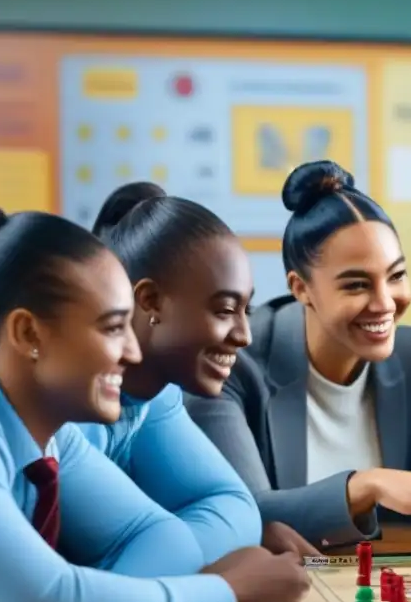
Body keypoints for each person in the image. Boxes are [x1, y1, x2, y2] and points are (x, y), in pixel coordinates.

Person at [0, 199, 308, 602]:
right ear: (29, 334)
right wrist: (228, 597)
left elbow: (159, 536)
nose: (135, 352)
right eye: (113, 327)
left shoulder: (44, 429)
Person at [187, 162, 411, 547]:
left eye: (396, 275)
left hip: (372, 583)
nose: (385, 303)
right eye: (357, 285)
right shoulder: (233, 363)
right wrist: (367, 484)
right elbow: (244, 512)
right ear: (301, 288)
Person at [81, 184, 294, 564]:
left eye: (247, 308)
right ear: (150, 300)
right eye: (225, 310)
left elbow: (237, 509)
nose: (244, 336)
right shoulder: (72, 408)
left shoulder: (156, 396)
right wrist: (219, 576)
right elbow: (115, 573)